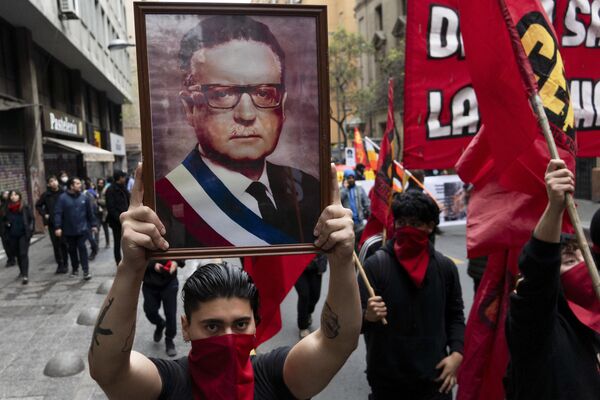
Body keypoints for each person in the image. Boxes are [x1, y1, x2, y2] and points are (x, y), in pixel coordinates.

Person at [88, 163, 361, 399]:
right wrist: (131, 267)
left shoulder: (278, 378)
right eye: (212, 326)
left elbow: (338, 342)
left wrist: (342, 260)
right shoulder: (168, 384)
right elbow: (108, 370)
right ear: (185, 327)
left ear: (256, 322)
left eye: (240, 324)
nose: (228, 339)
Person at [155, 15, 320, 249]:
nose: (246, 114)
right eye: (222, 94)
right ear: (190, 108)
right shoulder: (163, 204)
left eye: (264, 93)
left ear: (281, 106)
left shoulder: (309, 189)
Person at [504, 159, 600, 399]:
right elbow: (538, 275)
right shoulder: (538, 328)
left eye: (579, 255)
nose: (577, 261)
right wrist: (555, 207)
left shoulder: (593, 323)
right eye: (565, 262)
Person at [359, 191, 465, 399]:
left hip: (435, 381)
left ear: (430, 227)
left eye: (415, 223)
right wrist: (367, 316)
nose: (407, 229)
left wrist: (457, 354)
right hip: (387, 384)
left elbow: (455, 316)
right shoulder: (376, 266)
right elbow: (352, 324)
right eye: (402, 222)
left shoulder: (445, 268)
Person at [54, 177, 97, 280]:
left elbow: (90, 213)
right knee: (72, 250)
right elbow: (58, 213)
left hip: (83, 229)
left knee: (82, 248)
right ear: (71, 186)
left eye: (79, 183)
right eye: (77, 183)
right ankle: (75, 268)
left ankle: (86, 271)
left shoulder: (84, 198)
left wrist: (93, 225)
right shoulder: (62, 198)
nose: (80, 185)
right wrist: (58, 227)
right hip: (69, 230)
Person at [142, 259, 184, 358]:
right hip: (150, 282)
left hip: (169, 281)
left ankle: (169, 340)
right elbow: (136, 256)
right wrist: (152, 264)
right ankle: (160, 323)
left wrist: (176, 262)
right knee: (150, 311)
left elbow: (182, 251)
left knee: (170, 313)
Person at [36, 176, 69, 274]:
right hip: (52, 223)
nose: (54, 183)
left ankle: (66, 264)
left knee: (64, 243)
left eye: (55, 180)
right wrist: (44, 214)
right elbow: (38, 205)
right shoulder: (46, 195)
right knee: (56, 244)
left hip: (64, 222)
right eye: (51, 181)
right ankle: (60, 264)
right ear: (48, 184)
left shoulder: (64, 193)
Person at [1, 191, 34, 284]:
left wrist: (30, 231)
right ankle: (21, 271)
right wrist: (6, 224)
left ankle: (25, 275)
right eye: (12, 195)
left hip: (23, 234)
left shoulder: (25, 206)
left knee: (23, 253)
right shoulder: (6, 208)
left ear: (19, 196)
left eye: (15, 195)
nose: (13, 197)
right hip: (12, 234)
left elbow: (31, 219)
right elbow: (3, 220)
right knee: (18, 254)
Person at [295, 253, 327, 338]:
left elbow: (325, 245)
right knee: (304, 295)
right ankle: (303, 326)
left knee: (315, 296)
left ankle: (308, 313)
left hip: (315, 264)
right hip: (297, 264)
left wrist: (322, 265)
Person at [105, 170, 129, 265]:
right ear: (120, 178)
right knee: (117, 242)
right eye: (123, 177)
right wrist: (120, 219)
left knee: (127, 242)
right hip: (116, 222)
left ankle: (127, 261)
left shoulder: (124, 188)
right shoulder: (110, 190)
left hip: (127, 221)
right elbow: (111, 208)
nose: (125, 179)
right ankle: (118, 262)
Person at [340, 169, 370, 236]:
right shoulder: (341, 190)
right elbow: (339, 200)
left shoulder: (360, 189)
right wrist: (345, 188)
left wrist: (368, 214)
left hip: (359, 223)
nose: (351, 180)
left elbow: (367, 204)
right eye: (349, 178)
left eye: (352, 177)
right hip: (347, 224)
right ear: (345, 178)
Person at [0, 190, 16, 267]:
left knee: (12, 243)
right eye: (4, 194)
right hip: (3, 229)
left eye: (7, 193)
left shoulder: (11, 204)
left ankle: (13, 258)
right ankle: (11, 259)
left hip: (10, 227)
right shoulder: (2, 205)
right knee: (6, 244)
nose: (6, 195)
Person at [95, 178, 110, 248]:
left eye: (101, 183)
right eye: (99, 183)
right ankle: (96, 245)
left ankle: (107, 243)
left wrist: (98, 201)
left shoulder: (106, 191)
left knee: (105, 229)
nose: (100, 184)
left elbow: (107, 202)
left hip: (104, 213)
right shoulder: (95, 191)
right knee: (96, 229)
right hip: (97, 213)